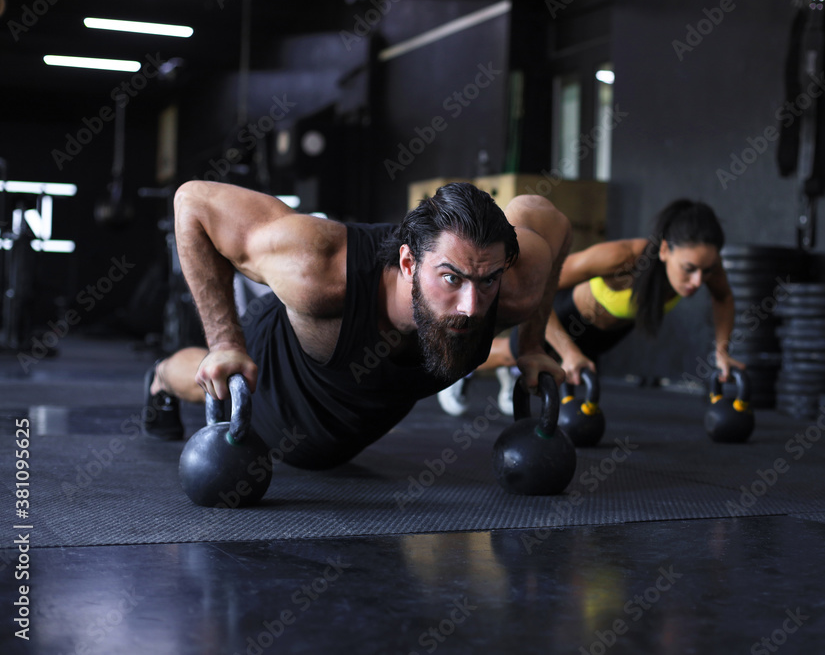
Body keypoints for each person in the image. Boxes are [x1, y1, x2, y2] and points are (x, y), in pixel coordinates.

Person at [143, 181, 572, 470]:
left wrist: (531, 344)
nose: (472, 305)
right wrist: (223, 343)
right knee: (213, 375)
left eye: (487, 281)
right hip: (277, 386)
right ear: (408, 262)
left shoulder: (512, 284)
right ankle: (161, 378)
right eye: (450, 278)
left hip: (360, 420)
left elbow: (546, 216)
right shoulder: (319, 268)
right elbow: (193, 201)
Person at [437, 198, 742, 415]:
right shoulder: (622, 258)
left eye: (707, 270)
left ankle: (512, 369)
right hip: (562, 315)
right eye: (689, 268)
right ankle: (457, 368)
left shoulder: (705, 269)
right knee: (514, 354)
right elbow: (541, 285)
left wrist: (722, 350)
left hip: (603, 336)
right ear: (664, 250)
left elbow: (724, 298)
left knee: (542, 366)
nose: (698, 280)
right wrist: (568, 351)